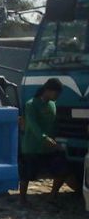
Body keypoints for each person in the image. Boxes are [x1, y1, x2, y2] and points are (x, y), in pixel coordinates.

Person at [19, 77, 79, 205]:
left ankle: (52, 196)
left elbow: (54, 124)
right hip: (32, 146)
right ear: (48, 90)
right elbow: (33, 125)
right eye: (57, 93)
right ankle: (22, 199)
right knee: (27, 174)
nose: (58, 96)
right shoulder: (31, 104)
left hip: (49, 147)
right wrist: (44, 138)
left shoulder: (52, 105)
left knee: (62, 169)